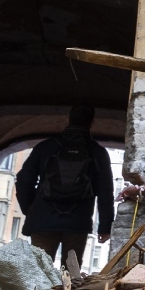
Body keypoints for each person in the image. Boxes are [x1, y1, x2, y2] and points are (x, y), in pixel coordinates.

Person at [15, 104, 114, 270]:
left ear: (68, 118)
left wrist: (30, 209)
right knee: (71, 275)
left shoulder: (45, 147)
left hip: (43, 221)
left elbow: (24, 180)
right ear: (92, 122)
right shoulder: (97, 152)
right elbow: (106, 192)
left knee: (38, 273)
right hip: (77, 223)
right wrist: (104, 227)